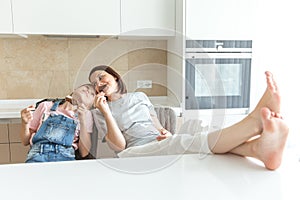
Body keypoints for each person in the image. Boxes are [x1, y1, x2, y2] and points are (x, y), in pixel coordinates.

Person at [89, 65, 289, 170]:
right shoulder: (100, 111)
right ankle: (254, 122)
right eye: (94, 83)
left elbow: (155, 122)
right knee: (186, 143)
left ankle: (256, 149)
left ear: (114, 76)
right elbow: (120, 147)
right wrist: (106, 112)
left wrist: (163, 131)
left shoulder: (139, 96)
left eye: (101, 77)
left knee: (193, 138)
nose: (98, 83)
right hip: (133, 154)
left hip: (157, 143)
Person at [20, 84, 96, 163]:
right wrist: (25, 123)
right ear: (75, 89)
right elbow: (25, 141)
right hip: (37, 155)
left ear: (90, 105)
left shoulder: (87, 115)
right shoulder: (45, 106)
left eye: (92, 94)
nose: (88, 91)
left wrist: (83, 120)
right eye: (87, 87)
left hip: (66, 157)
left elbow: (84, 153)